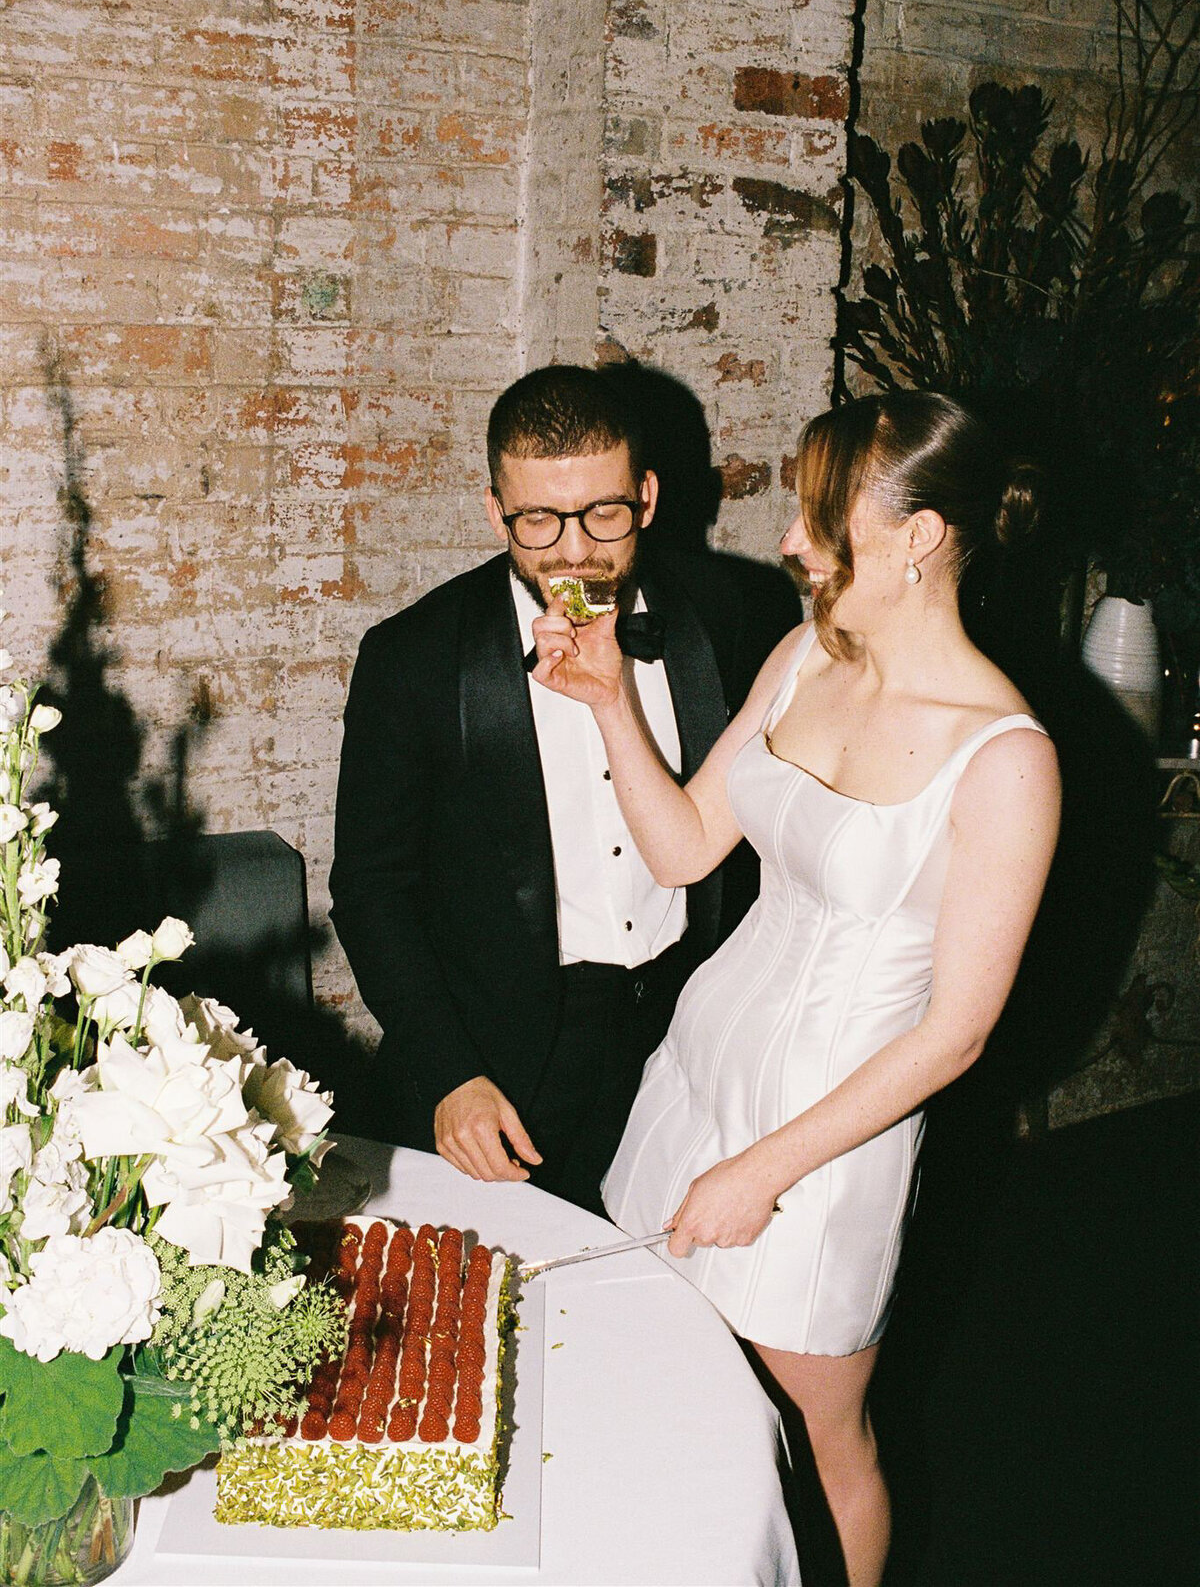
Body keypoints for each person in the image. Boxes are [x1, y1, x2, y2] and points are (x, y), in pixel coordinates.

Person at [529, 391, 1061, 1587]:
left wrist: (765, 1168)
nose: (790, 540)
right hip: (697, 1072)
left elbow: (959, 1032)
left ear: (918, 536)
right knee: (665, 1374)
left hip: (828, 1139)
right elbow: (680, 851)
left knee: (822, 1434)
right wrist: (610, 698)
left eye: (821, 516)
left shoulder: (1007, 757)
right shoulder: (804, 653)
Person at [329, 364, 795, 1214]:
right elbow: (371, 892)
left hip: (689, 1032)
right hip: (502, 1055)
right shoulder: (414, 657)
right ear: (493, 510)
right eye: (539, 521)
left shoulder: (734, 610)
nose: (575, 549)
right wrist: (449, 1074)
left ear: (647, 497)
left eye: (603, 514)